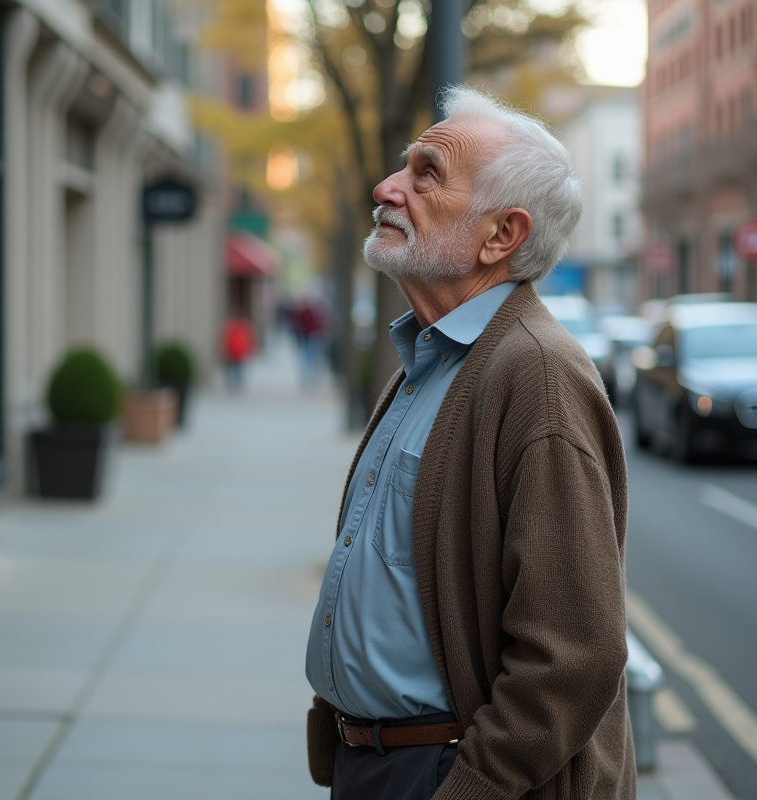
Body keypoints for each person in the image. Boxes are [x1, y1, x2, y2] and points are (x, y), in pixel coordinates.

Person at [305, 85, 633, 800]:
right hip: (383, 766)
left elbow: (575, 656)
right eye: (404, 166)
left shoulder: (536, 375)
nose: (386, 187)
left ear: (500, 235)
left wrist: (472, 786)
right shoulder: (432, 359)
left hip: (449, 777)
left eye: (426, 173)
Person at [222, 315, 254, 390]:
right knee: (237, 367)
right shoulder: (242, 330)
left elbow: (228, 340)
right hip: (237, 352)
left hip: (234, 352)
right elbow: (246, 342)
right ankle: (236, 381)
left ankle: (234, 381)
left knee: (235, 367)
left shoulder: (232, 329)